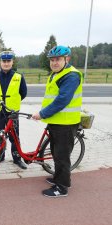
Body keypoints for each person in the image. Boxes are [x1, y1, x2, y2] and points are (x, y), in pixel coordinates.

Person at [32, 45, 83, 198]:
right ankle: (57, 178)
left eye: (58, 59)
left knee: (62, 156)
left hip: (66, 124)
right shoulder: (56, 74)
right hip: (56, 121)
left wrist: (42, 113)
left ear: (66, 59)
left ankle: (62, 187)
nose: (54, 62)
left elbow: (62, 100)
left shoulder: (71, 76)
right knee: (55, 153)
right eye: (52, 60)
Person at [0, 50, 27, 170]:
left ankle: (17, 158)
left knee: (14, 136)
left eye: (8, 61)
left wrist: (12, 103)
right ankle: (0, 156)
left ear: (12, 62)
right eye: (4, 61)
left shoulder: (19, 77)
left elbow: (23, 93)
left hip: (12, 112)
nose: (6, 63)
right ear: (0, 62)